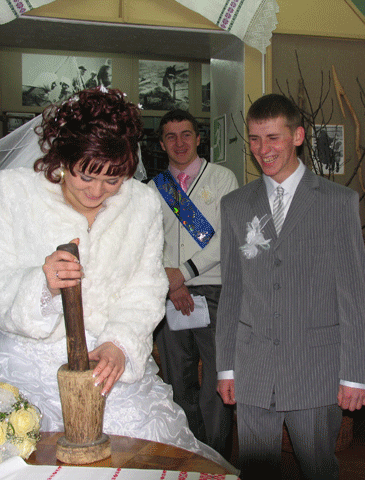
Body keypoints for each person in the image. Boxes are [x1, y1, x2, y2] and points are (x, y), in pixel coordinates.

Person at [0, 88, 232, 470]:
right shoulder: (14, 193)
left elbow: (145, 288)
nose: (97, 191)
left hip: (107, 365)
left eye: (113, 179)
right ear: (62, 156)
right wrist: (41, 285)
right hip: (23, 363)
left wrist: (119, 343)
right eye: (86, 175)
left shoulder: (142, 203)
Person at [216, 93, 365, 479]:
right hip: (253, 369)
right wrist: (225, 368)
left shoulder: (338, 203)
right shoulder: (236, 204)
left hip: (314, 369)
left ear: (298, 136)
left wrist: (355, 374)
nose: (263, 150)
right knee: (256, 470)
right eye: (255, 139)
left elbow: (354, 296)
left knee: (319, 468)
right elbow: (232, 292)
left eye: (273, 138)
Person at [149, 109, 238, 457]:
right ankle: (190, 454)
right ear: (161, 144)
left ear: (199, 138)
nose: (179, 142)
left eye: (186, 134)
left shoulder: (222, 178)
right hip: (169, 295)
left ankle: (216, 459)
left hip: (213, 289)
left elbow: (225, 237)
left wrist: (182, 274)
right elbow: (147, 244)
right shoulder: (152, 189)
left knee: (217, 379)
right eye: (170, 136)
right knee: (177, 380)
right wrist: (172, 284)